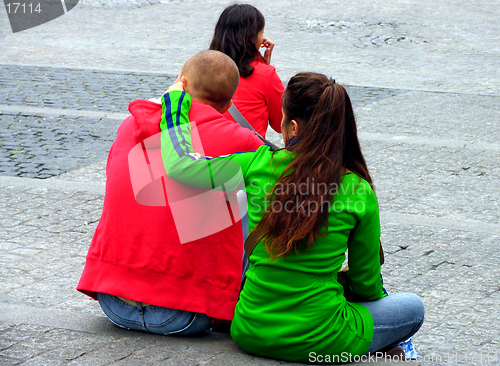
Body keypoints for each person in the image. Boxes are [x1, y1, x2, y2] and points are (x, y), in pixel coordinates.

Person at [159, 72, 425, 362]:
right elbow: (366, 285)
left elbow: (181, 165)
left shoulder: (256, 164)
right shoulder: (358, 190)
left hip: (251, 330)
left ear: (293, 127)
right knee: (412, 308)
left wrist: (174, 101)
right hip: (323, 338)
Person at [76, 50, 263, 335]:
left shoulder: (131, 124)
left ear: (182, 84)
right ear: (228, 102)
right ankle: (234, 297)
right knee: (249, 194)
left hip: (112, 300)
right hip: (188, 313)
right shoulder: (244, 142)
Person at [209, 3, 284, 138]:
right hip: (249, 156)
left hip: (207, 155)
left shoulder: (201, 69)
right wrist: (265, 68)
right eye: (261, 33)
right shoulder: (266, 75)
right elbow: (282, 124)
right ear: (252, 38)